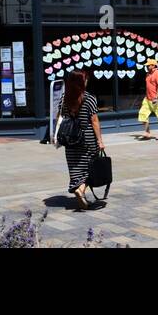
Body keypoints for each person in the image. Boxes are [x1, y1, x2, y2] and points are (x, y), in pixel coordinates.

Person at [54, 70, 105, 210]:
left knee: (76, 168)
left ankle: (79, 190)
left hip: (70, 140)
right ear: (81, 82)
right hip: (87, 139)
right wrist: (100, 141)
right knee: (91, 167)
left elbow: (60, 116)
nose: (87, 82)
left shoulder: (64, 98)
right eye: (86, 80)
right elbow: (94, 121)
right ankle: (81, 190)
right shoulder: (89, 98)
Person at [138, 59, 158, 140]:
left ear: (153, 65)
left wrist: (157, 97)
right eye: (147, 65)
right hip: (147, 99)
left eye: (148, 65)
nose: (147, 66)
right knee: (142, 114)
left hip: (156, 99)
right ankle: (147, 133)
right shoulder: (148, 74)